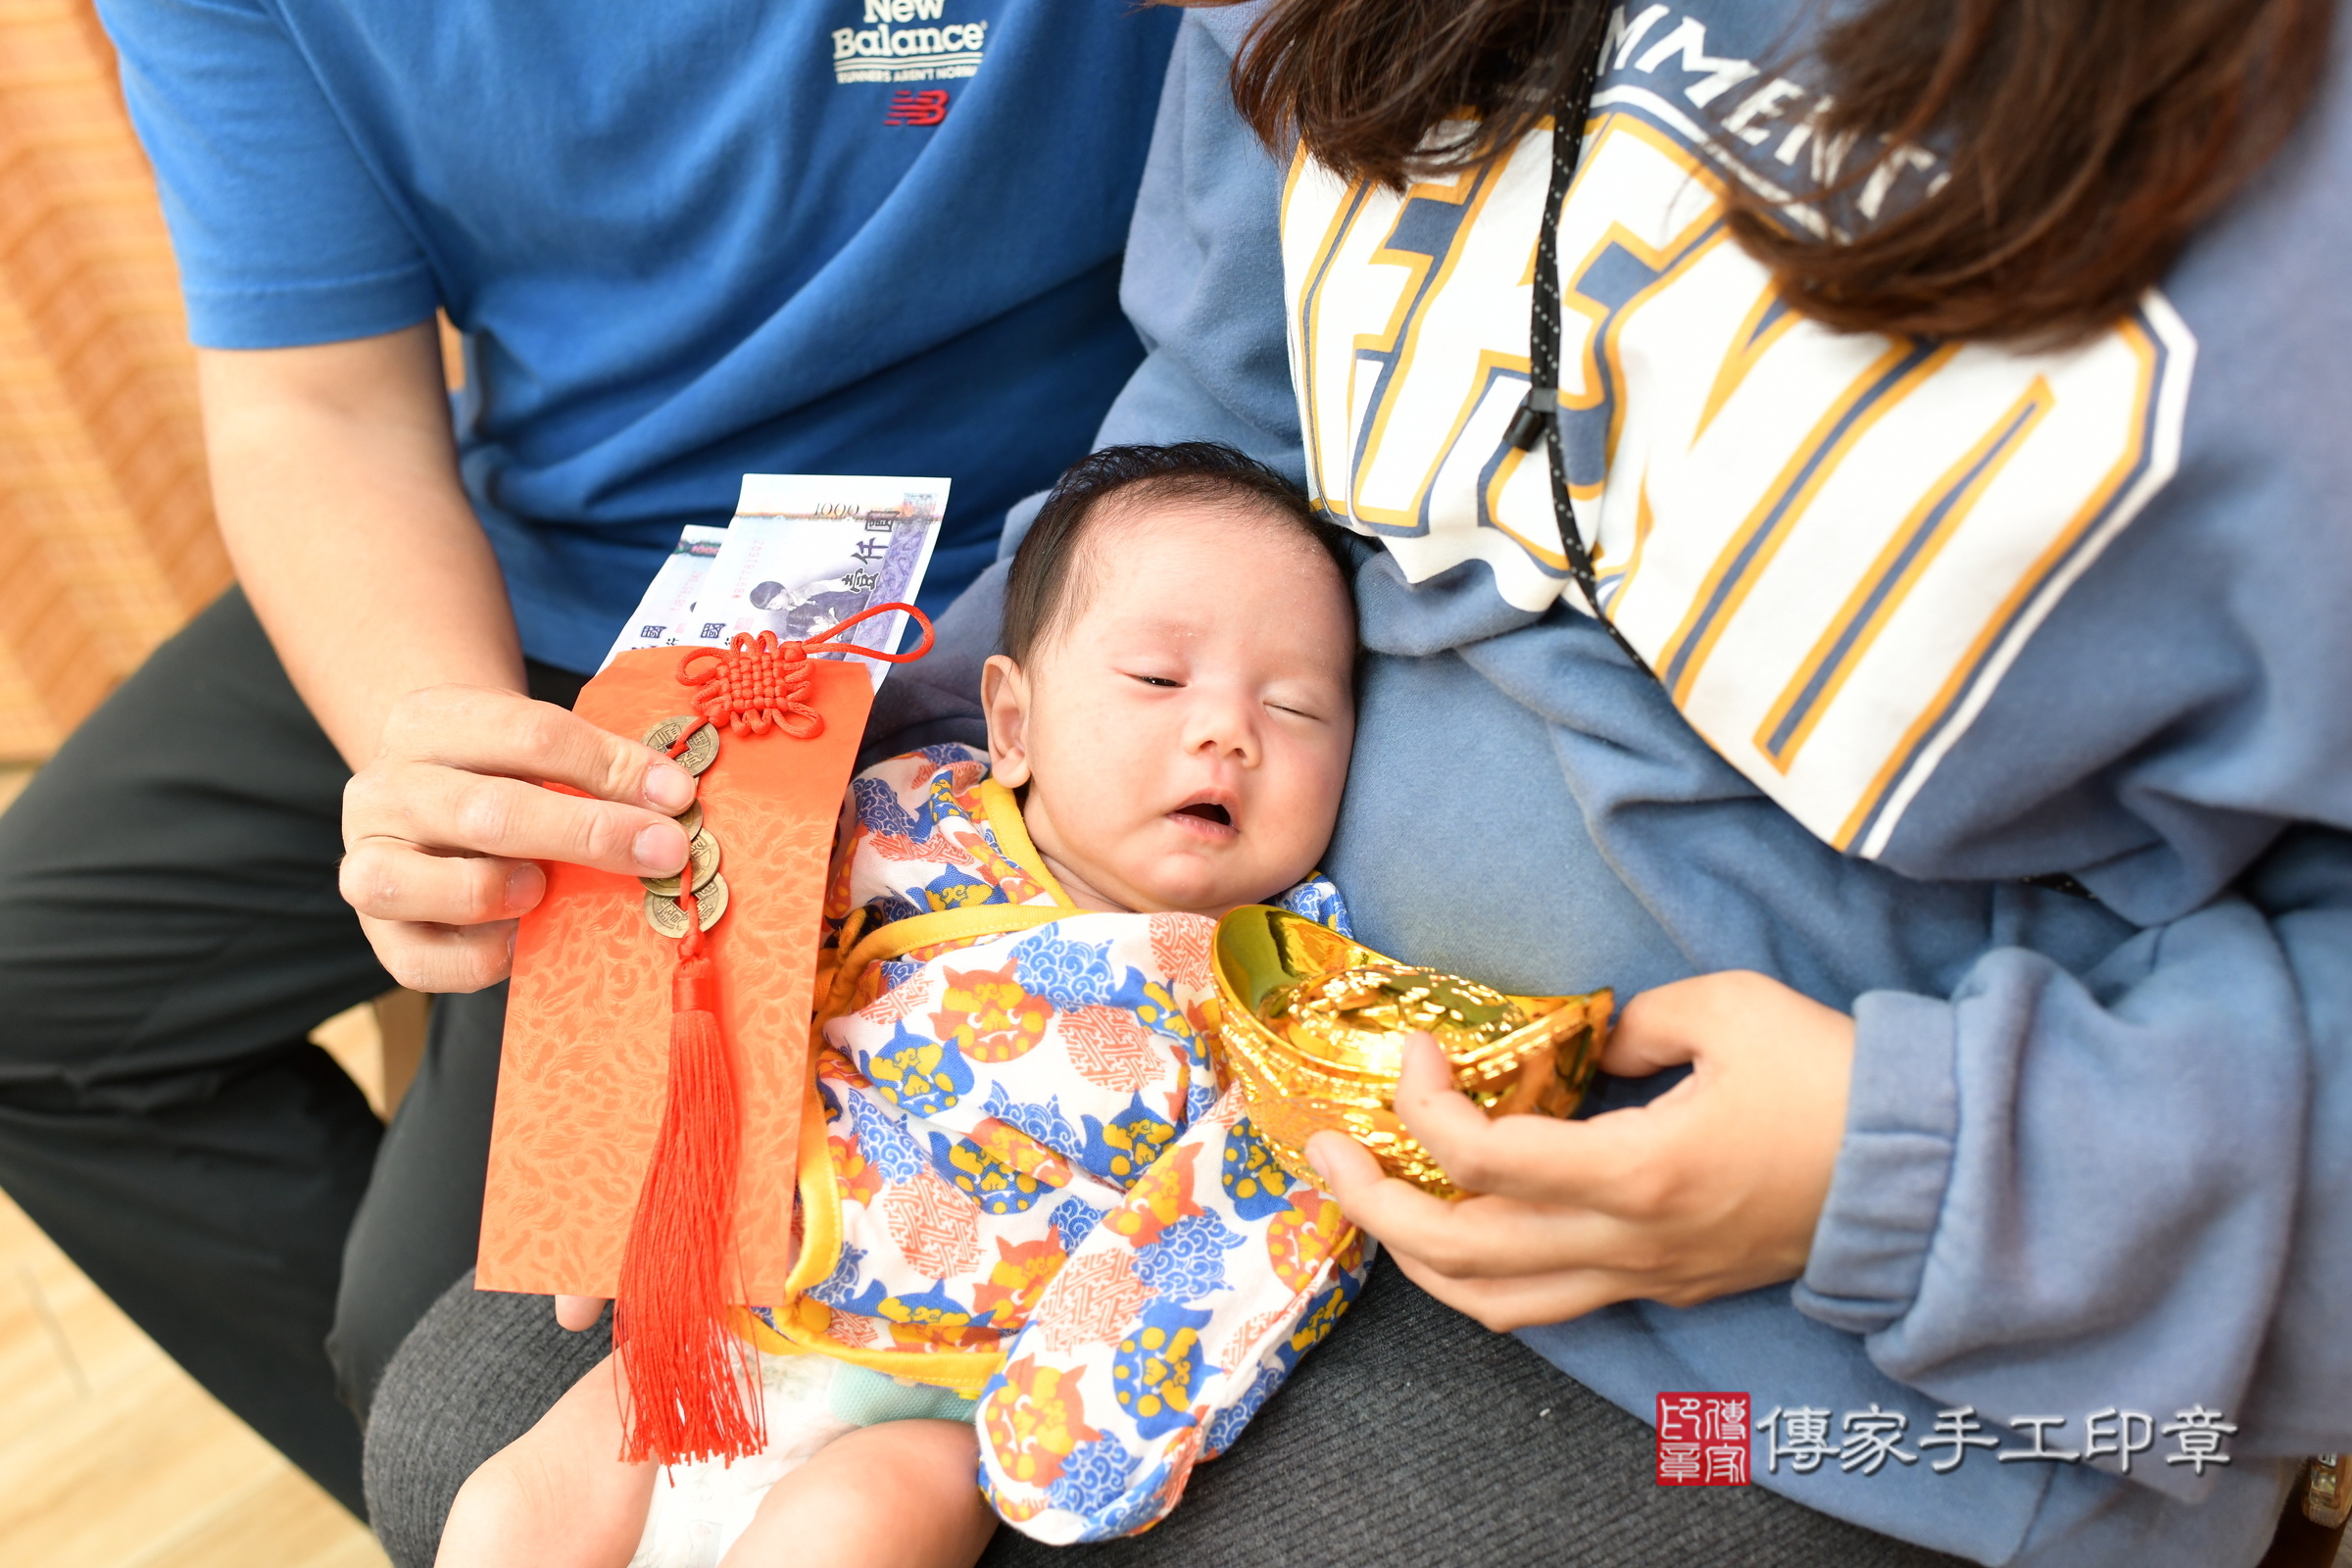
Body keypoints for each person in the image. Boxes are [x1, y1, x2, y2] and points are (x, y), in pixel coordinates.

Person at [368, 0, 2352, 1565]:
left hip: (1846, 1349)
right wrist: (726, 808)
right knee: (458, 1417)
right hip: (1139, 1093)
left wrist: (1907, 1167)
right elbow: (1217, 438)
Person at [0, 0, 1181, 1515]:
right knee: (36, 984)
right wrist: (447, 765)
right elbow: (318, 400)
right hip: (555, 548)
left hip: (1018, 546)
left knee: (433, 1352)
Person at [435, 443, 1366, 1567]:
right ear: (1012, 726)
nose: (1228, 728)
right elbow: (731, 949)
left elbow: (1270, 1197)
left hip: (940, 1391)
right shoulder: (906, 820)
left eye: (1294, 704)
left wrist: (1090, 1419)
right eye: (1160, 681)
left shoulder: (1278, 977)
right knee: (513, 1509)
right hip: (738, 1311)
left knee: (848, 1532)